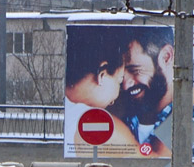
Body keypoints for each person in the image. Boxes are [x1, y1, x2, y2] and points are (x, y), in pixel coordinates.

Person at [117, 26, 194, 160]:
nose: (125, 85)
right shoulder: (113, 120)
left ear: (166, 56)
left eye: (135, 70)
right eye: (120, 74)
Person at [64, 27, 158, 156]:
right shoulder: (97, 121)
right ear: (102, 75)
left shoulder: (67, 109)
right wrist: (186, 108)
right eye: (119, 81)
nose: (120, 92)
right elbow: (153, 163)